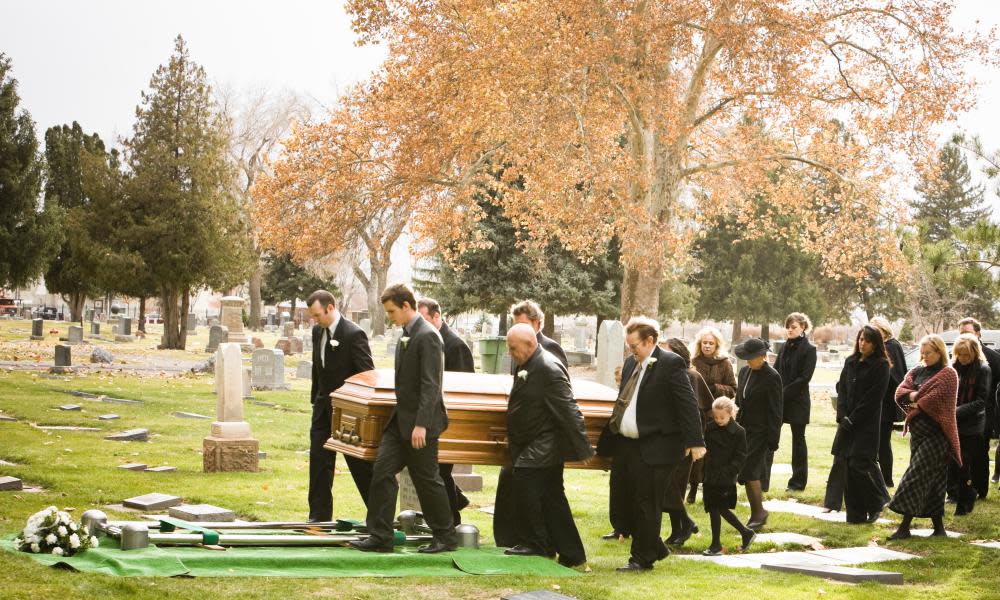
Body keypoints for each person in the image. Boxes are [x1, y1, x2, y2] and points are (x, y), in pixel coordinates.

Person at [349, 284, 457, 553]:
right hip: (399, 423)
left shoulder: (428, 336)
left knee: (427, 481)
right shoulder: (407, 334)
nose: (390, 317)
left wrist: (422, 423)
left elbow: (431, 385)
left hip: (422, 424)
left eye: (392, 311)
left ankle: (445, 535)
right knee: (382, 472)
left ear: (407, 306)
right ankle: (380, 535)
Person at [595, 317, 705, 572]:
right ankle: (654, 547)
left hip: (659, 445)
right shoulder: (633, 362)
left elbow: (687, 404)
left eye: (634, 346)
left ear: (650, 341)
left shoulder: (671, 363)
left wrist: (695, 441)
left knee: (647, 503)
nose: (631, 351)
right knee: (625, 500)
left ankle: (642, 559)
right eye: (629, 346)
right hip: (629, 445)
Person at [502, 324, 593, 568]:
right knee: (553, 497)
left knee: (525, 483)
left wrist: (582, 446)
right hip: (533, 440)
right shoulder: (528, 362)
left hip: (544, 442)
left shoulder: (547, 368)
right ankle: (571, 553)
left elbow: (568, 408)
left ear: (530, 344)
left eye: (513, 348)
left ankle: (537, 543)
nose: (510, 353)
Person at [495, 300, 570, 547]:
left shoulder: (549, 351)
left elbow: (556, 395)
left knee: (544, 493)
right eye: (515, 324)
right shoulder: (519, 347)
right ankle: (515, 538)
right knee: (515, 485)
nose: (517, 329)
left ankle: (539, 541)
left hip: (542, 437)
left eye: (523, 324)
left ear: (537, 324)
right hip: (525, 436)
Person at [305, 290, 375, 522]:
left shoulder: (354, 334)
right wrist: (316, 398)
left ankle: (377, 515)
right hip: (323, 407)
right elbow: (319, 368)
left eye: (317, 315)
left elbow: (367, 374)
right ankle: (319, 515)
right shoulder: (318, 331)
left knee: (358, 464)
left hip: (349, 410)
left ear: (330, 308)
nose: (315, 320)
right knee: (318, 461)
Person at [887, 335, 961, 540]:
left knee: (916, 475)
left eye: (929, 352)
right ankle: (939, 528)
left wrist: (917, 398)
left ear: (939, 352)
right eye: (923, 352)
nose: (925, 356)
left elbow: (935, 398)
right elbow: (900, 392)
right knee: (934, 480)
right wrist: (914, 396)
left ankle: (904, 527)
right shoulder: (916, 371)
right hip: (918, 433)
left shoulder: (948, 374)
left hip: (937, 435)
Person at [416, 297, 473, 525]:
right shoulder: (424, 340)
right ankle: (453, 505)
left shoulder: (455, 345)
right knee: (436, 471)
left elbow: (463, 386)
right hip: (427, 416)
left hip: (447, 419)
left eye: (424, 319)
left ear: (437, 317)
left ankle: (453, 518)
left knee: (441, 472)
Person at [832, 326, 892, 524]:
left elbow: (873, 398)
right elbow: (842, 389)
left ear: (875, 344)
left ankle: (877, 502)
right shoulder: (850, 362)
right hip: (847, 422)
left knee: (860, 463)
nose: (862, 343)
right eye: (860, 339)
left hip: (866, 423)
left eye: (867, 340)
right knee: (848, 466)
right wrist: (842, 415)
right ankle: (855, 514)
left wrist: (854, 418)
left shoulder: (881, 365)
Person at [662, 337, 713, 546]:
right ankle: (682, 525)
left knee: (675, 485)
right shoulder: (667, 374)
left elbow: (697, 411)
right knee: (669, 485)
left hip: (684, 440)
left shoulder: (691, 375)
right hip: (667, 438)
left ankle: (682, 528)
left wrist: (692, 441)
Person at [733, 338, 783, 529]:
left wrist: (773, 439)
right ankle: (758, 512)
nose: (747, 361)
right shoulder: (745, 372)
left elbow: (776, 410)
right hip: (745, 429)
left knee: (750, 470)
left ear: (763, 357)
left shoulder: (772, 376)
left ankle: (759, 512)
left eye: (751, 357)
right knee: (745, 470)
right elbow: (740, 400)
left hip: (761, 432)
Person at [767, 313, 816, 493]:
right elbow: (776, 370)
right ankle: (763, 479)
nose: (789, 330)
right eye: (788, 327)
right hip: (780, 400)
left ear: (803, 327)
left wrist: (783, 393)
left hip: (798, 401)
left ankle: (797, 482)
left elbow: (804, 378)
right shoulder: (785, 346)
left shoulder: (809, 349)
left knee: (798, 441)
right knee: (769, 435)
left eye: (793, 327)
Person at [701, 397, 756, 556]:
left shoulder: (739, 432)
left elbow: (741, 456)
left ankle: (719, 544)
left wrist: (729, 472)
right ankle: (742, 534)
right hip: (711, 474)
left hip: (726, 476)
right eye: (715, 417)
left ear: (731, 414)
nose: (718, 420)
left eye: (722, 417)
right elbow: (706, 448)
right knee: (714, 508)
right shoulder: (710, 428)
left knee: (720, 508)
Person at [689, 326, 737, 504]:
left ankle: (711, 490)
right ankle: (693, 488)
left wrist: (715, 388)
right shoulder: (693, 361)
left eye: (711, 343)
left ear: (716, 344)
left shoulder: (724, 363)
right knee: (696, 453)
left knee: (715, 455)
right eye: (704, 343)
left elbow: (733, 389)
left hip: (717, 415)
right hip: (696, 413)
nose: (707, 346)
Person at [948, 334, 991, 515]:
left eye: (966, 355)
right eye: (959, 355)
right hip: (953, 421)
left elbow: (981, 400)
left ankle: (965, 500)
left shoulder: (983, 369)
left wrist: (957, 411)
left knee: (965, 462)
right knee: (954, 462)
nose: (963, 359)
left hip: (972, 423)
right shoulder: (953, 368)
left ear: (974, 353)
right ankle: (960, 495)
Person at [957, 317, 1000, 490]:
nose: (965, 336)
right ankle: (960, 487)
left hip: (985, 412)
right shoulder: (956, 358)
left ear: (978, 333)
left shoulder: (993, 358)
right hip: (960, 412)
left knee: (980, 452)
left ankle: (980, 488)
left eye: (968, 332)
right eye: (961, 333)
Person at [870, 317, 908, 487]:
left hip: (886, 403)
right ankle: (879, 478)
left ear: (883, 330)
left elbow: (896, 376)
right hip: (879, 402)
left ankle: (887, 479)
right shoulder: (885, 345)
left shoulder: (891, 346)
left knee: (883, 442)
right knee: (878, 442)